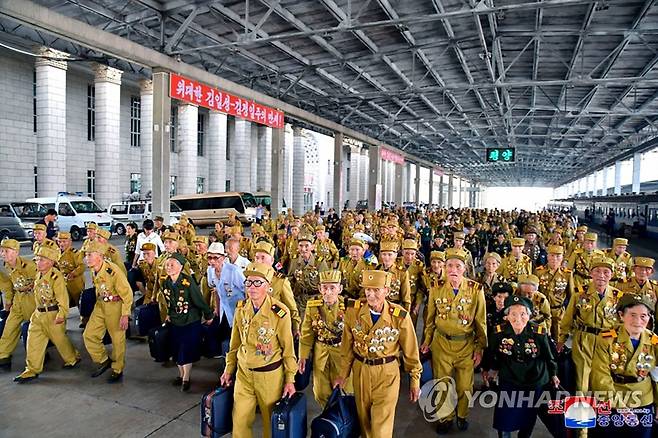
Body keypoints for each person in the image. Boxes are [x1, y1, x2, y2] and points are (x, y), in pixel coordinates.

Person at [334, 270, 422, 438]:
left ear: (387, 291)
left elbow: (411, 352)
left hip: (387, 374)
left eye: (376, 290)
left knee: (381, 429)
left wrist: (415, 380)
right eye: (368, 290)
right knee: (364, 423)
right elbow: (347, 347)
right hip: (360, 372)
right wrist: (343, 374)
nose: (371, 294)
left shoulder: (399, 316)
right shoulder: (353, 311)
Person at [220, 262, 297, 438]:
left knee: (271, 423)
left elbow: (288, 350)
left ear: (268, 286)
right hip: (244, 375)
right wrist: (228, 369)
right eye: (248, 282)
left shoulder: (279, 312)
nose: (252, 287)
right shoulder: (241, 309)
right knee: (239, 420)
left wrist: (290, 380)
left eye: (257, 283)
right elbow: (234, 344)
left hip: (269, 377)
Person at [420, 248, 487, 433]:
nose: (453, 269)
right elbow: (430, 319)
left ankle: (462, 414)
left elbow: (481, 322)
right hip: (441, 344)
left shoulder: (475, 290)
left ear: (464, 268)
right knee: (442, 384)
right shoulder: (436, 288)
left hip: (466, 345)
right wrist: (427, 340)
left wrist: (480, 348)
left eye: (458, 266)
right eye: (449, 265)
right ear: (444, 267)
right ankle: (445, 417)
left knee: (465, 385)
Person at [486, 295, 559, 438]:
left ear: (529, 316)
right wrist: (492, 370)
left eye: (523, 314)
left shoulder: (538, 332)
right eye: (513, 314)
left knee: (529, 413)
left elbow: (548, 356)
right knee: (504, 413)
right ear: (507, 316)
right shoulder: (499, 332)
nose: (518, 318)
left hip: (534, 377)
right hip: (510, 375)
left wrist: (553, 374)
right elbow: (494, 354)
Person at [590, 294, 658, 438]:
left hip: (643, 400)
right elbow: (600, 376)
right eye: (632, 315)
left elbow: (657, 376)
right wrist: (620, 407)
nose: (638, 321)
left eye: (643, 316)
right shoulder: (606, 339)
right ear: (621, 315)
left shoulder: (654, 341)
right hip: (613, 398)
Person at [14, 242, 80, 383]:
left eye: (41, 259)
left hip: (52, 314)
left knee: (60, 340)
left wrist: (61, 315)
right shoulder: (39, 275)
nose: (38, 262)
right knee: (33, 341)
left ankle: (72, 358)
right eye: (37, 259)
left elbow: (63, 298)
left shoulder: (56, 277)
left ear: (50, 262)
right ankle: (32, 369)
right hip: (38, 314)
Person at [558, 257, 622, 392]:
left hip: (607, 340)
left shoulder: (618, 296)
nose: (601, 275)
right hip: (583, 339)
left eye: (606, 272)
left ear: (612, 275)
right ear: (591, 273)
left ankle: (602, 408)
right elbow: (568, 318)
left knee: (602, 375)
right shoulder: (580, 293)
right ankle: (582, 408)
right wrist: (561, 340)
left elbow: (622, 322)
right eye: (597, 271)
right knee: (582, 377)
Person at [298, 270, 353, 407]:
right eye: (324, 287)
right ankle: (328, 418)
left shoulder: (349, 307)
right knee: (320, 392)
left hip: (341, 353)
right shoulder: (313, 307)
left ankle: (343, 421)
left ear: (340, 289)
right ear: (319, 289)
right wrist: (303, 356)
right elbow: (306, 334)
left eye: (332, 288)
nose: (328, 292)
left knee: (344, 390)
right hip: (321, 353)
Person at [82, 241, 133, 383]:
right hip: (101, 305)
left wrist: (125, 314)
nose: (87, 258)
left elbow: (127, 294)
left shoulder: (113, 270)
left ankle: (117, 369)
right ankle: (103, 360)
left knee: (117, 340)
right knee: (89, 335)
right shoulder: (94, 269)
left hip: (115, 307)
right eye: (86, 255)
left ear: (100, 256)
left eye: (90, 255)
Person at [162, 252, 214, 391]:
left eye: (172, 265)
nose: (168, 267)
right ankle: (181, 375)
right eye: (167, 264)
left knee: (186, 349)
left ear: (180, 267)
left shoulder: (187, 282)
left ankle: (186, 378)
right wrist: (168, 314)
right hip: (175, 320)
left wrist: (208, 315)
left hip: (190, 320)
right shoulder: (165, 282)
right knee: (177, 349)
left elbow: (199, 300)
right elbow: (169, 302)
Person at [0, 239, 37, 370]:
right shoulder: (5, 267)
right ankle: (3, 356)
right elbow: (7, 286)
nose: (3, 254)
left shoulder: (30, 266)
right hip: (18, 301)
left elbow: (42, 282)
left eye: (6, 251)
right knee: (9, 329)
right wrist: (8, 303)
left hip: (33, 301)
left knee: (35, 330)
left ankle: (42, 354)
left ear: (15, 252)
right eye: (1, 251)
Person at [253, 241, 301, 337]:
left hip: (276, 327)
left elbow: (291, 308)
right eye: (257, 258)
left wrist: (295, 327)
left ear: (271, 260)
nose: (259, 261)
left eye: (263, 258)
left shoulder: (280, 281)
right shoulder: (251, 280)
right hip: (256, 327)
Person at [206, 242, 246, 357]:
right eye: (209, 257)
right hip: (224, 309)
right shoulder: (210, 271)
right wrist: (217, 309)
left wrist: (248, 311)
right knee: (218, 334)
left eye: (215, 258)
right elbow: (217, 291)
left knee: (236, 337)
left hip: (238, 309)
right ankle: (225, 359)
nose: (212, 261)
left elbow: (247, 290)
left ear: (223, 258)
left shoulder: (234, 271)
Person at [535, 244, 574, 341]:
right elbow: (535, 293)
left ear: (562, 257)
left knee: (558, 339)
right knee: (542, 338)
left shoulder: (567, 274)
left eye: (558, 256)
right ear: (547, 256)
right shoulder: (539, 272)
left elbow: (571, 295)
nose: (554, 259)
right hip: (542, 312)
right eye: (552, 255)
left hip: (558, 312)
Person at [287, 233, 329, 312]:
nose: (303, 249)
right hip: (300, 299)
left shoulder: (319, 262)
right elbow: (290, 280)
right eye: (300, 246)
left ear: (312, 247)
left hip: (315, 298)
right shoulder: (294, 261)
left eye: (306, 246)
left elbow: (326, 282)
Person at [376, 241, 412, 311]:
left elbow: (406, 297)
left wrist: (406, 315)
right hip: (378, 307)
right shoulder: (376, 270)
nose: (386, 258)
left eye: (390, 255)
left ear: (395, 255)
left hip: (393, 308)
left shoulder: (402, 273)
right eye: (384, 254)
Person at [56, 231, 85, 307]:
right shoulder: (57, 253)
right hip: (63, 282)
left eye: (64, 242)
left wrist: (73, 273)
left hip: (75, 282)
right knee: (63, 301)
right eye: (59, 241)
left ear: (70, 242)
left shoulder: (75, 253)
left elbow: (81, 266)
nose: (61, 244)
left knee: (79, 301)